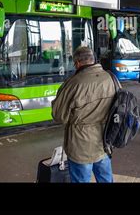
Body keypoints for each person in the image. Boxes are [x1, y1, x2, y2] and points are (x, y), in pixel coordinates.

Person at [52, 46, 116, 183]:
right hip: (105, 141)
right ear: (93, 60)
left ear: (77, 63)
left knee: (81, 179)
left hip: (80, 144)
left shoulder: (73, 83)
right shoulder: (110, 78)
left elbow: (59, 116)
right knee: (106, 178)